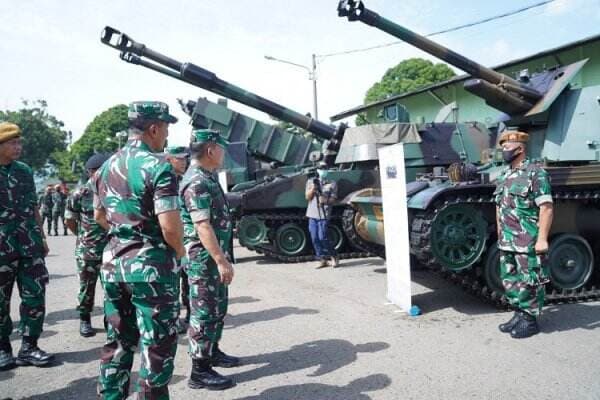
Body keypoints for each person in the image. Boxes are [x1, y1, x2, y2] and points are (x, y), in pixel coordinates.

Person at [93, 101, 185, 399]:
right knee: (156, 346)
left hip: (113, 268)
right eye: (166, 128)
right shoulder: (159, 167)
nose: (167, 136)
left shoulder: (105, 167)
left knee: (118, 342)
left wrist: (125, 235)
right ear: (153, 128)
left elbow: (98, 216)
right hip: (151, 271)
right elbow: (170, 227)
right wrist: (181, 254)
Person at [180, 129, 239, 390]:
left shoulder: (207, 177)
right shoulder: (197, 181)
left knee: (217, 307)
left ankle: (212, 351)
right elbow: (202, 225)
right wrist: (220, 260)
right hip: (203, 259)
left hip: (212, 257)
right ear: (211, 150)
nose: (224, 154)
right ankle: (199, 371)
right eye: (222, 149)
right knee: (203, 312)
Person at [0, 122, 53, 370]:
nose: (19, 146)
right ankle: (2, 348)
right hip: (2, 249)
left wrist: (41, 237)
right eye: (13, 143)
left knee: (35, 296)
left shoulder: (24, 171)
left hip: (29, 245)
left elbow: (33, 207)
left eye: (19, 142)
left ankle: (29, 346)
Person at [494, 130, 553, 339]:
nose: (504, 151)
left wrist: (542, 238)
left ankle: (530, 320)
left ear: (520, 148)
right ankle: (519, 313)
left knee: (529, 279)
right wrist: (500, 233)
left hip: (527, 239)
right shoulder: (504, 174)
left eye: (507, 147)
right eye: (503, 147)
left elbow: (546, 207)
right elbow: (499, 206)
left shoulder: (536, 173)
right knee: (510, 278)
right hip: (508, 239)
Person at [65, 153, 111, 338]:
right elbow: (70, 220)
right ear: (89, 172)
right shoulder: (80, 193)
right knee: (86, 287)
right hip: (87, 250)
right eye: (96, 171)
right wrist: (83, 237)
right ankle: (85, 319)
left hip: (111, 249)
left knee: (113, 288)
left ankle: (111, 321)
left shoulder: (116, 191)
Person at [163, 145, 191, 334]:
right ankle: (171, 319)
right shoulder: (162, 179)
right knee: (170, 283)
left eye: (185, 159)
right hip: (169, 240)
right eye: (179, 158)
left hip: (186, 238)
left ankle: (190, 315)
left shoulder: (184, 180)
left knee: (188, 281)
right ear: (169, 159)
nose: (184, 162)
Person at [305, 165, 339, 269]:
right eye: (321, 169)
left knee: (323, 237)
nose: (323, 171)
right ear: (317, 170)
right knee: (314, 238)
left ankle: (334, 256)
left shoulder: (332, 184)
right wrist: (313, 189)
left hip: (324, 214)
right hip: (312, 214)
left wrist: (325, 200)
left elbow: (333, 200)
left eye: (325, 168)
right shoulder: (311, 182)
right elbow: (307, 197)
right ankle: (321, 259)